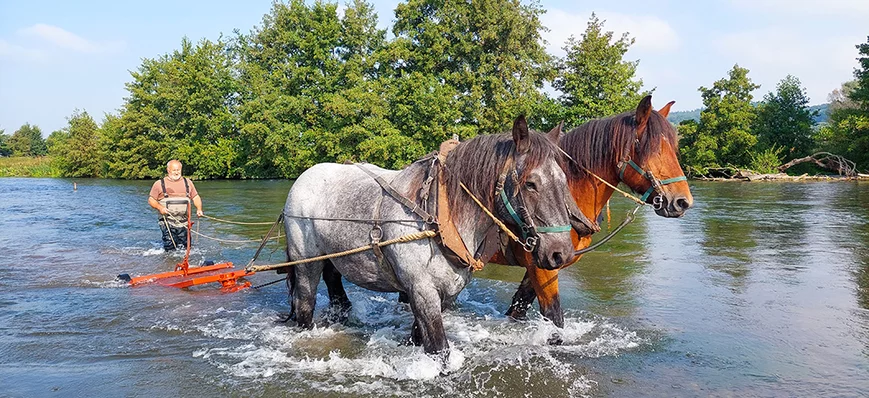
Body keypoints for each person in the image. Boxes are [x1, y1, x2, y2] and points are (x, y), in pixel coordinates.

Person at [148, 160, 204, 251]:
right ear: (168, 170)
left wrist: (199, 209)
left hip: (184, 222)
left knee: (186, 247)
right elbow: (151, 200)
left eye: (178, 170)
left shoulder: (188, 182)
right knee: (170, 248)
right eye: (174, 170)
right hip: (167, 222)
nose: (177, 172)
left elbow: (196, 197)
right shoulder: (159, 184)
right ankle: (169, 263)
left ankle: (187, 263)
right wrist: (160, 207)